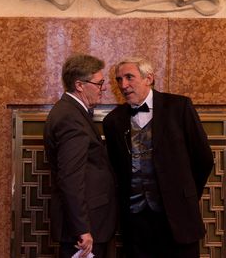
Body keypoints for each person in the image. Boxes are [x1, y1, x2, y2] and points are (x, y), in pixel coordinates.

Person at [102, 57, 214, 258]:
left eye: (129, 77)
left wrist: (185, 194)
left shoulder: (179, 107)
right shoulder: (113, 121)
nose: (123, 85)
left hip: (178, 218)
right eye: (119, 79)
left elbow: (203, 158)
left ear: (149, 78)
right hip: (135, 221)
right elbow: (116, 169)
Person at [43, 54, 117, 258]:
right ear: (79, 85)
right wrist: (82, 229)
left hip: (89, 223)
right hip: (84, 229)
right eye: (99, 83)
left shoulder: (72, 111)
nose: (104, 88)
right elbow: (71, 177)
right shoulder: (70, 117)